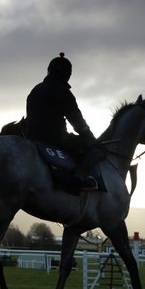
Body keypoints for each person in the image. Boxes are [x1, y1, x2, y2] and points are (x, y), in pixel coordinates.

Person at [25, 52, 99, 190]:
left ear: (49, 70)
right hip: (55, 139)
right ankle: (79, 177)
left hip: (31, 137)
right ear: (68, 74)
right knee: (96, 150)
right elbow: (77, 121)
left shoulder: (36, 89)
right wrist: (91, 138)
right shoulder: (63, 91)